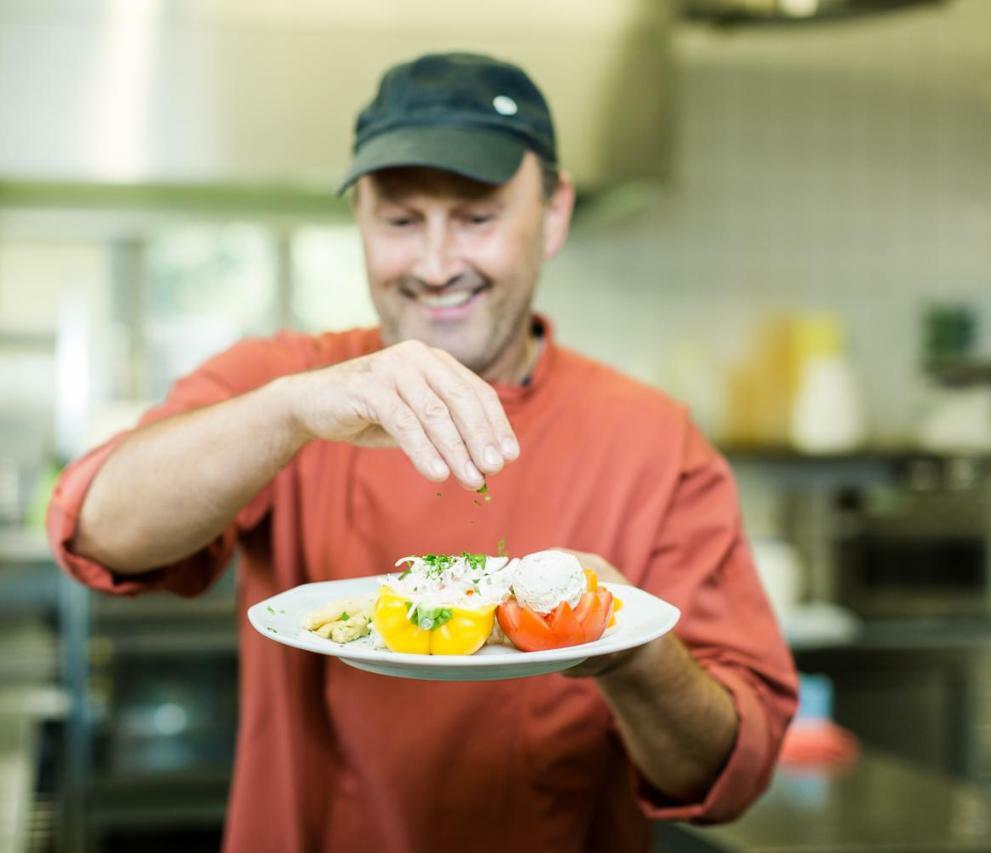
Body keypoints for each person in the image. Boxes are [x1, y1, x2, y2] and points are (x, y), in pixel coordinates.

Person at [48, 52, 798, 853]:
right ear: (362, 220)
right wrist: (293, 411)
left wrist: (630, 648)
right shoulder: (283, 383)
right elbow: (96, 530)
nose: (437, 266)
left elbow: (729, 770)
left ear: (552, 213)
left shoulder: (654, 440)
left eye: (476, 219)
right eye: (401, 221)